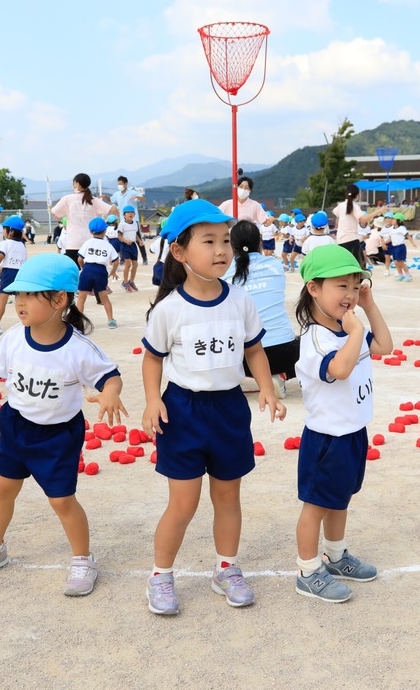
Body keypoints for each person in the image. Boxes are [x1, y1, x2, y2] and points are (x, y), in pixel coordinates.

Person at [141, 199, 286, 615]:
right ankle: (161, 576)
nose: (222, 249)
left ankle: (227, 568)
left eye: (226, 240)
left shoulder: (240, 300)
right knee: (183, 504)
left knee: (228, 499)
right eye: (209, 241)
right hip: (183, 413)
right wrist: (153, 400)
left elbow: (255, 349)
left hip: (228, 410)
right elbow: (152, 358)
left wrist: (267, 389)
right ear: (180, 252)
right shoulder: (169, 309)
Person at [0, 254, 125, 594]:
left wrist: (109, 393)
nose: (19, 302)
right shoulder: (14, 337)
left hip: (58, 437)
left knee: (62, 501)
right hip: (16, 426)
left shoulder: (78, 349)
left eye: (30, 295)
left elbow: (111, 377)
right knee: (2, 489)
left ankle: (82, 560)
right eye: (18, 294)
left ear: (59, 299)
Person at [292, 245, 392, 602]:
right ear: (314, 289)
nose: (349, 294)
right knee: (316, 505)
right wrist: (354, 332)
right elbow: (339, 369)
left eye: (354, 285)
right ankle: (307, 570)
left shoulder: (348, 328)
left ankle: (335, 555)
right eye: (341, 286)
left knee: (340, 499)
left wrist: (369, 305)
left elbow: (385, 346)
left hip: (353, 432)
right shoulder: (315, 338)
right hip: (326, 439)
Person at [225, 221, 299, 399]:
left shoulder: (224, 271)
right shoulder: (275, 265)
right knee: (311, 343)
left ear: (231, 245)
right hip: (286, 355)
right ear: (259, 243)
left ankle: (232, 381)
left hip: (246, 361)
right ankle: (280, 375)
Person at [50, 173, 116, 265]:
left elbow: (54, 212)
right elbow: (113, 210)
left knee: (74, 273)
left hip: (73, 243)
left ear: (77, 184)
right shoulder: (94, 200)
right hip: (91, 243)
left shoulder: (67, 199)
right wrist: (114, 203)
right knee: (89, 273)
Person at [0, 217, 29, 335]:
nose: (3, 231)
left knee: (2, 301)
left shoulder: (4, 243)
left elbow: (0, 256)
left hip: (8, 272)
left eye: (4, 229)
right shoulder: (22, 245)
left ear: (11, 231)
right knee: (21, 301)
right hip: (20, 273)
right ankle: (27, 323)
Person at [75, 217, 118, 328]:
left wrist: (84, 268)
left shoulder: (87, 243)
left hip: (88, 269)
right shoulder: (108, 245)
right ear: (105, 231)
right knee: (104, 297)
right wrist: (113, 271)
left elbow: (80, 259)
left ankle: (78, 321)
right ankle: (111, 320)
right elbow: (116, 261)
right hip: (100, 271)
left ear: (90, 231)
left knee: (81, 298)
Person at [332, 184, 382, 262]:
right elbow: (363, 219)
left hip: (340, 240)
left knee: (345, 264)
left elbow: (334, 211)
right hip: (351, 239)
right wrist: (378, 211)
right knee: (359, 265)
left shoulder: (341, 205)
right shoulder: (354, 206)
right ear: (357, 195)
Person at [117, 206, 141, 292]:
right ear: (124, 215)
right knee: (128, 264)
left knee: (135, 264)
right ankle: (125, 282)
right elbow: (119, 236)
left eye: (132, 212)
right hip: (125, 246)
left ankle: (132, 281)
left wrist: (139, 241)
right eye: (128, 212)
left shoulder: (135, 223)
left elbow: (136, 234)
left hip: (133, 245)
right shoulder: (122, 224)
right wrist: (125, 241)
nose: (130, 214)